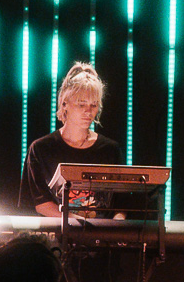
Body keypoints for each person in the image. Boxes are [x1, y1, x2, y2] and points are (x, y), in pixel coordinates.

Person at [19, 62, 122, 216]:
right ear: (64, 104)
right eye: (81, 104)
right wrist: (76, 223)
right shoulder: (41, 149)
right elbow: (40, 203)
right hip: (59, 231)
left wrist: (118, 226)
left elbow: (121, 202)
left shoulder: (110, 150)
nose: (88, 111)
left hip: (102, 231)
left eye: (94, 105)